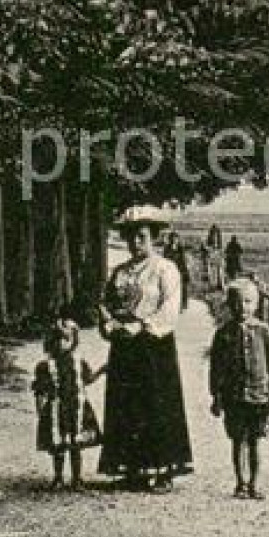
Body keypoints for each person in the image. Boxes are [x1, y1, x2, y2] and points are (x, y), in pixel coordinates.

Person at [97, 207, 194, 492]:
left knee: (156, 404)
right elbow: (107, 304)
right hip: (125, 347)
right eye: (130, 238)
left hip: (154, 346)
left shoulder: (165, 269)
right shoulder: (121, 272)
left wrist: (142, 327)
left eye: (141, 237)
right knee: (126, 405)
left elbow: (170, 308)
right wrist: (110, 323)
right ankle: (133, 469)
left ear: (153, 238)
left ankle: (163, 468)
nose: (136, 243)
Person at [208, 283, 269, 499]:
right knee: (238, 439)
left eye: (248, 302)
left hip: (259, 395)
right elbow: (217, 367)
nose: (243, 307)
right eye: (237, 302)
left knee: (256, 440)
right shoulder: (224, 334)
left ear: (257, 304)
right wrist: (216, 395)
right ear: (229, 305)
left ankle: (255, 484)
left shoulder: (264, 331)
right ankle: (241, 482)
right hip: (234, 396)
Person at [32, 317, 101, 489]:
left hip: (76, 408)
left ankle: (77, 478)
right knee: (58, 446)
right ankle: (58, 477)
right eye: (57, 339)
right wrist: (40, 408)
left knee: (76, 445)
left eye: (66, 339)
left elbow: (87, 379)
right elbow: (40, 390)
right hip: (57, 409)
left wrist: (102, 371)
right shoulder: (46, 366)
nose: (62, 343)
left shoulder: (78, 363)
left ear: (73, 341)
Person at [162, 231, 191, 310]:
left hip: (180, 268)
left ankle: (183, 304)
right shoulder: (167, 248)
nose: (174, 240)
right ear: (170, 239)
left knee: (183, 286)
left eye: (176, 238)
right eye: (173, 238)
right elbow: (165, 259)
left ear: (178, 239)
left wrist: (185, 270)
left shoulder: (180, 248)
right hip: (170, 269)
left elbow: (183, 260)